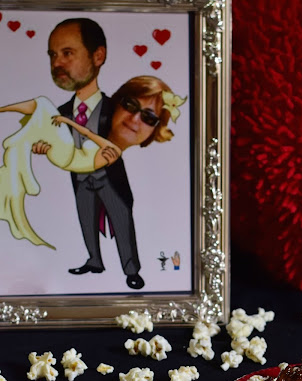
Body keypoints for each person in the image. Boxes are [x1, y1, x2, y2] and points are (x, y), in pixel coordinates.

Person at [0, 75, 185, 257]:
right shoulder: (76, 125)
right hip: (52, 220)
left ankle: (124, 268)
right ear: (116, 104)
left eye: (149, 117)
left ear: (156, 129)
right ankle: (95, 260)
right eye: (130, 105)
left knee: (119, 220)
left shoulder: (150, 181)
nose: (135, 118)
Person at [47, 17, 143, 289]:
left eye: (67, 53)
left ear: (98, 56)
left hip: (109, 179)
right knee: (86, 221)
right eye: (53, 55)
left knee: (122, 222)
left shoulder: (117, 109)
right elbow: (59, 145)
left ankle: (131, 270)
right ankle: (94, 260)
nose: (57, 63)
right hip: (80, 180)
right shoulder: (60, 113)